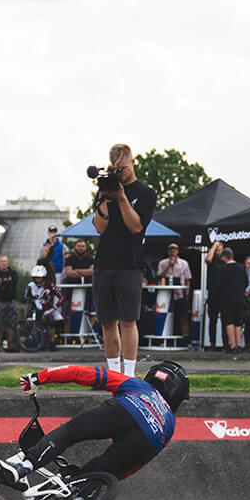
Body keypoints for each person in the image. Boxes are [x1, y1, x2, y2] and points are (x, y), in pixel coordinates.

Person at [0, 361, 189, 498]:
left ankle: (24, 467)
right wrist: (108, 477)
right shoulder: (170, 423)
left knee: (69, 432)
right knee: (97, 470)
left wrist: (40, 377)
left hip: (127, 408)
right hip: (149, 440)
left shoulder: (138, 386)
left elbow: (83, 374)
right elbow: (139, 463)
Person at [87, 144, 157, 375]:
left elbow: (136, 227)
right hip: (104, 263)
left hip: (130, 263)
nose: (121, 172)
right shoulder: (106, 191)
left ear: (133, 162)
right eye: (116, 168)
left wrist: (122, 198)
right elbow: (99, 228)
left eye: (124, 167)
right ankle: (113, 372)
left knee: (128, 320)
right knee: (107, 321)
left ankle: (129, 373)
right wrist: (104, 198)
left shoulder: (146, 193)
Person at [208, 243, 249, 352]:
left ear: (224, 257)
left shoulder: (222, 269)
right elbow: (246, 282)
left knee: (228, 321)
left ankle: (232, 345)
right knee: (238, 321)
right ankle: (239, 344)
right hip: (239, 298)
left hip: (226, 298)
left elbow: (218, 285)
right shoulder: (241, 268)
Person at [155, 242, 193, 345]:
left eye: (174, 250)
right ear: (168, 252)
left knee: (183, 317)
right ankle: (163, 339)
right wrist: (169, 266)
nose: (173, 252)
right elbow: (160, 275)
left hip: (179, 294)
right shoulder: (162, 263)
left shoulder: (183, 263)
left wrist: (187, 293)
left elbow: (187, 278)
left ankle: (185, 339)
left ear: (178, 251)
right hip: (166, 295)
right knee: (165, 315)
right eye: (171, 250)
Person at [0, 254, 21, 352]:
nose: (4, 263)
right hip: (0, 301)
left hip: (11, 300)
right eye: (2, 261)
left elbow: (13, 285)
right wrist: (5, 285)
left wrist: (3, 285)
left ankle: (10, 342)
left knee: (11, 324)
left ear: (7, 262)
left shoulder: (13, 273)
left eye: (5, 261)